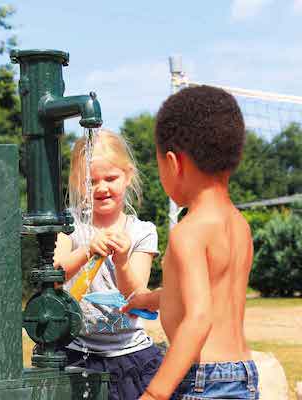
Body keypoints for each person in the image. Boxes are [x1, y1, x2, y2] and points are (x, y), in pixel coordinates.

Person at [123, 85, 259, 400]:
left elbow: (199, 317)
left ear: (174, 163)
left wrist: (155, 393)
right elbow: (210, 295)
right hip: (243, 376)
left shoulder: (189, 231)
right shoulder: (239, 225)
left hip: (205, 380)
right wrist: (150, 298)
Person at [54, 129, 163, 400]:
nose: (101, 188)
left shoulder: (142, 231)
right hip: (78, 356)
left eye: (111, 178)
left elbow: (137, 297)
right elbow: (53, 276)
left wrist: (122, 260)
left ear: (128, 176)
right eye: (91, 181)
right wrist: (87, 250)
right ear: (78, 184)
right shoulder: (69, 225)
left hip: (132, 358)